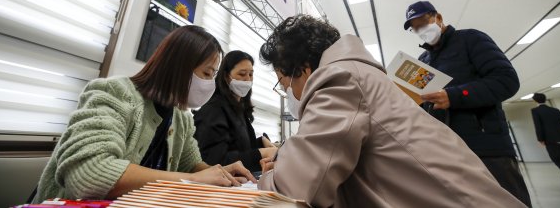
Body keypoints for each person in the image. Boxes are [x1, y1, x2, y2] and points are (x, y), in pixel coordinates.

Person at [257, 15, 525, 208]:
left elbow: (294, 192)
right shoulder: (359, 74)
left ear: (304, 69)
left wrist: (272, 174)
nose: (288, 93)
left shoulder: (339, 78)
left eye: (284, 83)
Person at [33, 26, 255, 203]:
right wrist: (192, 179)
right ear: (179, 66)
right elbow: (89, 174)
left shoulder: (181, 117)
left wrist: (222, 172)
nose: (210, 84)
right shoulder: (115, 93)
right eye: (207, 73)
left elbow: (191, 164)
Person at [403, 0, 531, 206]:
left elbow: (506, 80)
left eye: (423, 23)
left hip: (487, 149)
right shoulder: (423, 60)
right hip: (447, 152)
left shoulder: (471, 39)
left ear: (438, 18)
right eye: (415, 28)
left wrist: (453, 96)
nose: (420, 30)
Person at [193, 50, 277, 172]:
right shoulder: (214, 110)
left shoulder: (238, 108)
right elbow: (215, 160)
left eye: (251, 74)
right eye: (242, 74)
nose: (248, 79)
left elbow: (240, 145)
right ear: (227, 77)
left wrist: (261, 142)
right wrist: (261, 153)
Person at [531, 93, 560, 174]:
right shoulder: (555, 110)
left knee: (558, 161)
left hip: (552, 141)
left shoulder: (535, 111)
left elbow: (538, 126)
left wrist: (540, 139)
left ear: (535, 100)